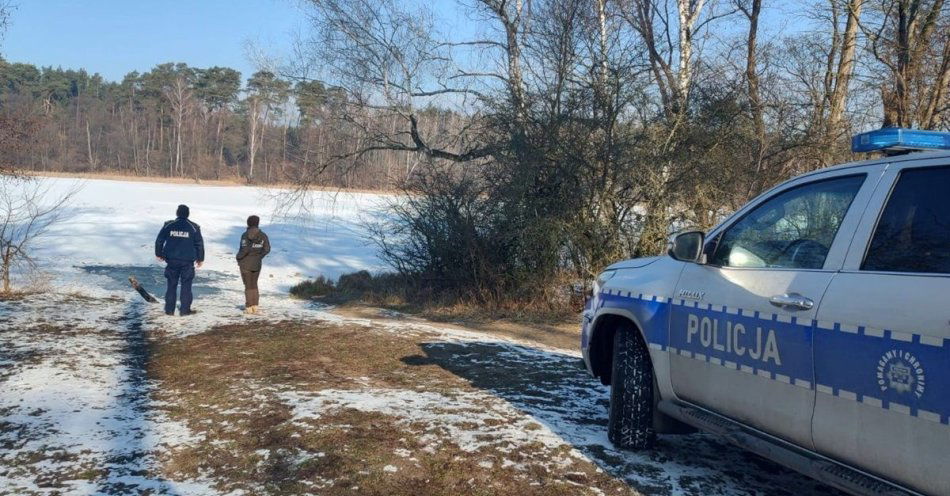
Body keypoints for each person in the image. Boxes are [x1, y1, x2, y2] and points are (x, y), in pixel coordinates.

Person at [155, 204, 204, 316]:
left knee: (171, 285)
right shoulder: (194, 227)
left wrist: (159, 253)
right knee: (186, 286)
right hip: (187, 261)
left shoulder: (169, 225)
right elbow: (199, 244)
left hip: (172, 260)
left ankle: (169, 310)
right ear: (188, 214)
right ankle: (184, 310)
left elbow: (159, 240)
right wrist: (200, 258)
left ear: (177, 213)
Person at [236, 215, 270, 314]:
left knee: (248, 285)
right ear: (257, 223)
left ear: (248, 223)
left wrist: (238, 257)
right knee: (254, 284)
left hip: (245, 263)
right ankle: (255, 306)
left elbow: (244, 249)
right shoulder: (263, 235)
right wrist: (259, 256)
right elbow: (267, 249)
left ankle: (249, 307)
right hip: (257, 263)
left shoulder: (245, 235)